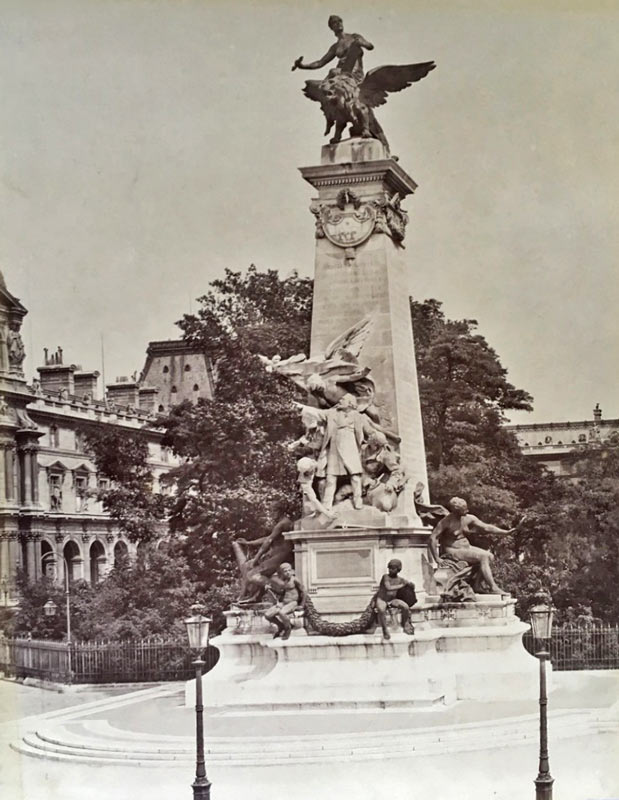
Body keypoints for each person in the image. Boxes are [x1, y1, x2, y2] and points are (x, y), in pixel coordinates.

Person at [428, 497, 518, 595]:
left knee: (490, 556)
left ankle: (477, 585)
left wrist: (505, 532)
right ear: (456, 510)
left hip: (466, 547)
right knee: (483, 557)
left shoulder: (468, 518)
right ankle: (493, 587)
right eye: (464, 509)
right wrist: (437, 559)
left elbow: (486, 527)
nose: (467, 511)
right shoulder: (446, 522)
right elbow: (432, 538)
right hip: (453, 549)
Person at [319, 393, 374, 510]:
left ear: (350, 403)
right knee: (331, 477)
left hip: (350, 448)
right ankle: (327, 504)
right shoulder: (332, 413)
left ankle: (358, 501)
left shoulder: (357, 416)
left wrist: (360, 447)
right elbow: (318, 413)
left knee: (355, 476)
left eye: (342, 400)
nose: (339, 401)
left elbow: (360, 434)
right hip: (334, 449)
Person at [292, 15, 373, 83]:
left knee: (332, 73)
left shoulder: (354, 37)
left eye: (340, 21)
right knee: (323, 86)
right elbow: (320, 63)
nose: (338, 23)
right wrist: (302, 66)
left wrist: (363, 43)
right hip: (340, 72)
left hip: (353, 73)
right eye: (335, 22)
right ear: (331, 28)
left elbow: (370, 46)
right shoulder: (335, 47)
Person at [373, 559, 416, 640]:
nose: (390, 570)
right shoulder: (385, 577)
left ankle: (405, 624)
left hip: (392, 600)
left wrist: (410, 585)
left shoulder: (400, 579)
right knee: (381, 610)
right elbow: (388, 587)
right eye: (389, 568)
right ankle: (384, 629)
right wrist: (402, 585)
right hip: (382, 599)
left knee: (405, 607)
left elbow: (410, 585)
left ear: (398, 569)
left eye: (393, 568)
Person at [264, 563, 306, 640]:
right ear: (282, 573)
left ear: (292, 571)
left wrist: (302, 605)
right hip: (284, 603)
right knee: (267, 615)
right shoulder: (285, 581)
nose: (287, 572)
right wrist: (270, 589)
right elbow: (282, 593)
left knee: (282, 613)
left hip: (293, 603)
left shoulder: (295, 580)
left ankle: (288, 628)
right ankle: (281, 626)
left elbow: (303, 591)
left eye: (289, 570)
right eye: (285, 571)